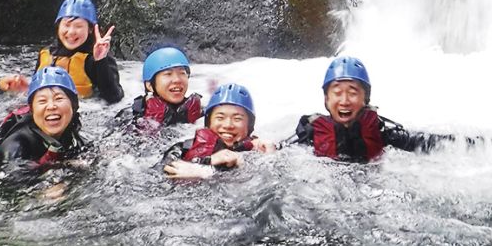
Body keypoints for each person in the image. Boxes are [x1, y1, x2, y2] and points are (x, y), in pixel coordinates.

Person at [290, 57, 465, 162]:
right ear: (326, 100)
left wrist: (465, 143)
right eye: (337, 93)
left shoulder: (381, 133)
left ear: (365, 99)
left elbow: (425, 142)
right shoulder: (310, 134)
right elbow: (282, 151)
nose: (344, 101)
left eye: (353, 93)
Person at [162, 83, 276, 179]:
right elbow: (160, 174)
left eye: (237, 119)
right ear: (209, 122)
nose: (228, 125)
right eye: (220, 118)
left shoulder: (257, 152)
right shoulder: (182, 149)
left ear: (249, 125)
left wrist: (270, 157)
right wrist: (208, 163)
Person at [0, 66, 89, 170]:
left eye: (59, 99)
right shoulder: (14, 147)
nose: (51, 106)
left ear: (74, 106)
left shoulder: (75, 134)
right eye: (42, 101)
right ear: (32, 109)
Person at [35, 0, 124, 104]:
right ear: (58, 26)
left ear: (90, 29)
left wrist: (101, 61)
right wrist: (23, 88)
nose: (71, 32)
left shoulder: (95, 58)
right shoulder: (45, 54)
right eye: (66, 25)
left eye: (78, 26)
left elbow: (114, 97)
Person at [127, 46, 205, 132]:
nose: (177, 80)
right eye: (168, 74)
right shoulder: (132, 117)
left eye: (182, 73)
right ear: (150, 85)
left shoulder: (204, 114)